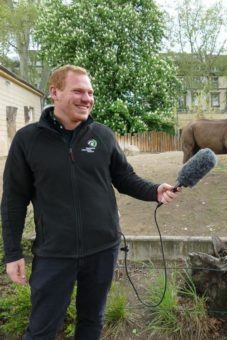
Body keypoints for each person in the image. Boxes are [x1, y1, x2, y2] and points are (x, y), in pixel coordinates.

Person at [1, 65, 180, 339]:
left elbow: (124, 177)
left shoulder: (102, 135)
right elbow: (13, 200)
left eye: (90, 92)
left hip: (102, 250)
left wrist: (154, 190)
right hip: (54, 254)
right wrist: (13, 253)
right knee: (41, 329)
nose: (87, 98)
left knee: (91, 322)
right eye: (78, 91)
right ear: (55, 93)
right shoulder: (28, 140)